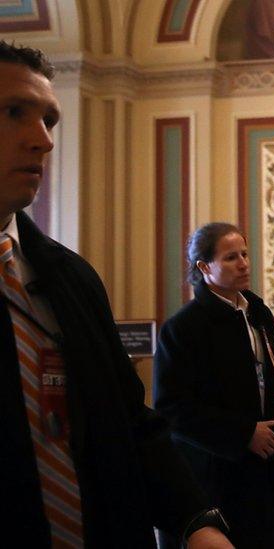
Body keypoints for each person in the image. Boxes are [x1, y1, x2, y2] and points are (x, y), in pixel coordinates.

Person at [0, 41, 232, 547]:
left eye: (50, 120)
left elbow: (130, 423)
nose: (43, 140)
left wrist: (197, 522)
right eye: (14, 112)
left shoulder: (72, 278)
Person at [154, 222, 274, 549]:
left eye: (245, 254)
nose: (243, 263)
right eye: (230, 257)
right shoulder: (183, 329)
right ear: (203, 267)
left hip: (268, 466)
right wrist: (242, 434)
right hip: (219, 472)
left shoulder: (257, 313)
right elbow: (172, 408)